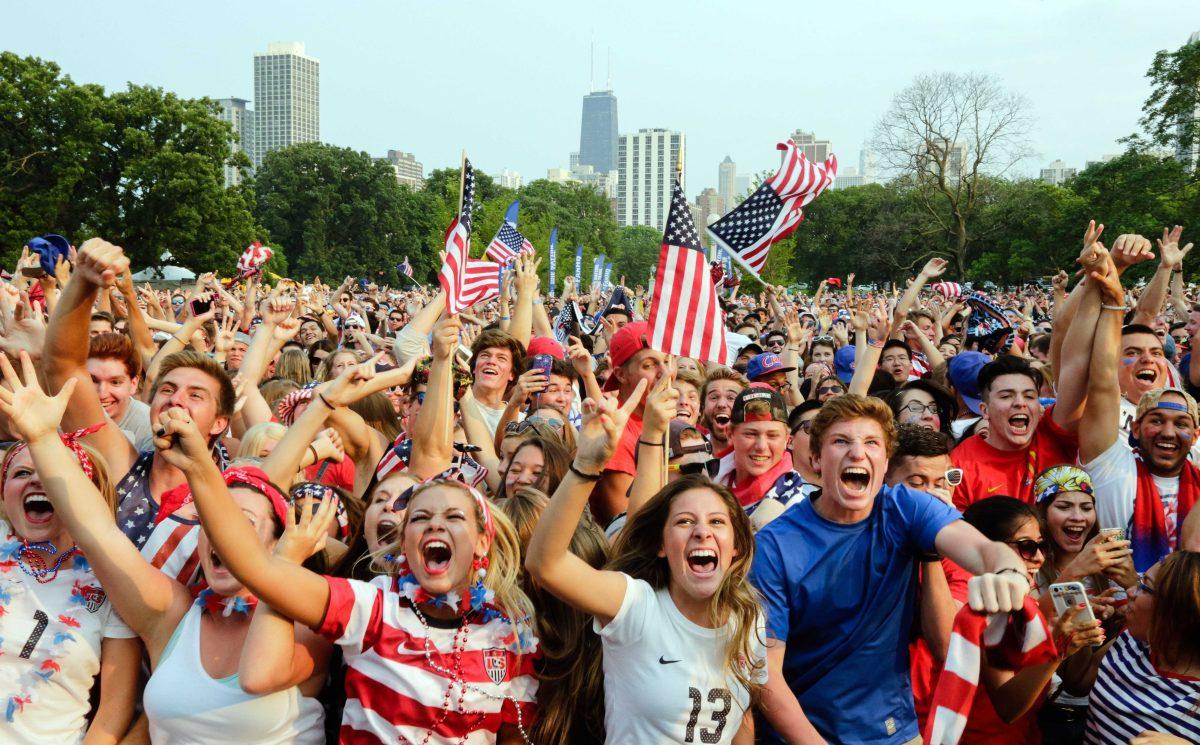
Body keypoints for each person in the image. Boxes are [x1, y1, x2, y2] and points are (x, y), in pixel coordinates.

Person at [171, 369, 540, 742]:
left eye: (454, 517)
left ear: (481, 541)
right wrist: (198, 466)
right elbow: (255, 566)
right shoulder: (373, 606)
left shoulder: (511, 635)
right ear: (405, 542)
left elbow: (513, 737)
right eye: (420, 518)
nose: (434, 526)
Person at [0, 351, 328, 743]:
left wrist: (286, 561)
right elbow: (100, 533)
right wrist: (41, 439)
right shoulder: (175, 617)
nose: (222, 537)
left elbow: (259, 675)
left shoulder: (311, 623)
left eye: (242, 526)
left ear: (277, 540)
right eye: (212, 525)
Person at [751, 394, 1035, 744]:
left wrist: (1008, 572)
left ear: (885, 463)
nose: (858, 452)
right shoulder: (774, 546)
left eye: (871, 443)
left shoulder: (905, 508)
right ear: (815, 458)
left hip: (893, 732)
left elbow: (982, 549)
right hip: (804, 734)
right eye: (841, 441)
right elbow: (766, 675)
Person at [527, 381, 794, 744]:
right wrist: (586, 465)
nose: (702, 532)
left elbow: (741, 721)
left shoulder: (749, 618)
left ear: (736, 547)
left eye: (717, 522)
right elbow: (546, 564)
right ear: (661, 546)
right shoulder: (636, 605)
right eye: (685, 522)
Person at [0, 369, 141, 744]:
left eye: (50, 472)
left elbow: (114, 708)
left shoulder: (113, 582)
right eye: (21, 473)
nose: (36, 481)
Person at [1085, 551, 1200, 743]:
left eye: (1145, 587)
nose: (1130, 591)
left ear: (1178, 613)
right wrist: (1079, 631)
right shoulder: (1132, 639)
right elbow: (1079, 682)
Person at [951, 355, 1080, 508]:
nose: (1020, 403)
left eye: (1029, 396)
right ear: (985, 411)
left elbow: (1078, 369)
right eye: (1006, 396)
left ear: (1039, 407)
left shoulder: (1053, 433)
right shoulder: (959, 464)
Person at [592, 320, 668, 524]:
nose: (665, 374)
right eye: (649, 365)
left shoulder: (670, 420)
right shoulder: (613, 433)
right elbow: (629, 532)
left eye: (667, 361)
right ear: (620, 374)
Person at [88, 331, 153, 444]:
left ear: (133, 384)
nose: (102, 393)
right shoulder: (64, 418)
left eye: (115, 382)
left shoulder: (149, 427)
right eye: (93, 380)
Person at [699, 367, 748, 457]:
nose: (721, 404)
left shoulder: (755, 455)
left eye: (731, 398)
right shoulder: (692, 453)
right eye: (714, 397)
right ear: (703, 407)